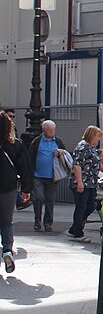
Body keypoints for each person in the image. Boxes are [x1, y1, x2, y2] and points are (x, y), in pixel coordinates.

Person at [0, 112, 32, 273]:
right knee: (6, 222)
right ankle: (7, 250)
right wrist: (26, 189)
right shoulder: (15, 144)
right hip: (8, 188)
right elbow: (25, 167)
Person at [68, 126, 103, 243]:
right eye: (98, 137)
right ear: (92, 135)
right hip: (82, 182)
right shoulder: (82, 147)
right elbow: (77, 165)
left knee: (91, 205)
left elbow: (96, 164)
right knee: (81, 207)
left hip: (91, 183)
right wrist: (80, 182)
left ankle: (75, 227)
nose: (98, 139)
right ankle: (78, 233)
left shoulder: (91, 148)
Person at [29, 120, 66, 232]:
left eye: (53, 130)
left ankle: (48, 223)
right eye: (49, 130)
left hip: (52, 177)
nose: (51, 132)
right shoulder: (37, 141)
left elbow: (66, 156)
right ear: (43, 130)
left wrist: (59, 153)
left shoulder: (58, 141)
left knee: (50, 200)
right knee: (38, 197)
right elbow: (30, 156)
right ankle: (37, 221)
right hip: (38, 175)